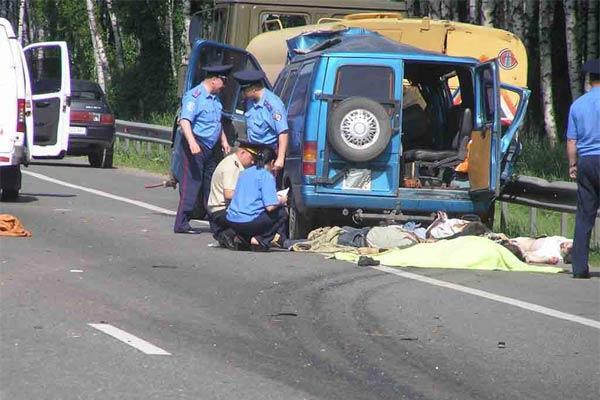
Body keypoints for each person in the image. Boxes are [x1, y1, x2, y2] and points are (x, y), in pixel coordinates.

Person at [174, 64, 233, 234]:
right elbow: (185, 121)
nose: (225, 86)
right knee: (192, 183)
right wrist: (192, 143)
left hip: (211, 147)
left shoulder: (215, 99)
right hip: (196, 144)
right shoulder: (194, 96)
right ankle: (182, 222)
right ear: (214, 80)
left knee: (212, 185)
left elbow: (217, 122)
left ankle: (216, 223)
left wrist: (224, 140)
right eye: (224, 81)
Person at [566, 59, 600, 278]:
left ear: (589, 80)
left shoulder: (577, 105)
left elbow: (571, 141)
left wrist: (572, 164)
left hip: (587, 162)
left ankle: (579, 268)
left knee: (584, 215)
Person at [225, 146, 288, 251]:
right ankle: (261, 240)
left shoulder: (244, 172)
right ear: (272, 162)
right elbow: (270, 207)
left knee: (256, 214)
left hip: (232, 219)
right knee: (281, 213)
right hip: (249, 221)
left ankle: (242, 238)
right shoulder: (266, 176)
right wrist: (282, 200)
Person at [233, 70, 289, 173]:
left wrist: (280, 158)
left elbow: (283, 132)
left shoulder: (273, 104)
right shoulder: (249, 101)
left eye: (244, 90)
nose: (243, 94)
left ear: (253, 89)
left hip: (268, 152)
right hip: (253, 149)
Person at [206, 140, 260, 244]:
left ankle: (230, 234)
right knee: (257, 219)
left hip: (222, 209)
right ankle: (227, 234)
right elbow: (229, 194)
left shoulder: (234, 163)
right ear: (242, 153)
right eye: (251, 158)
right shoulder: (232, 166)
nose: (253, 162)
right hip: (221, 210)